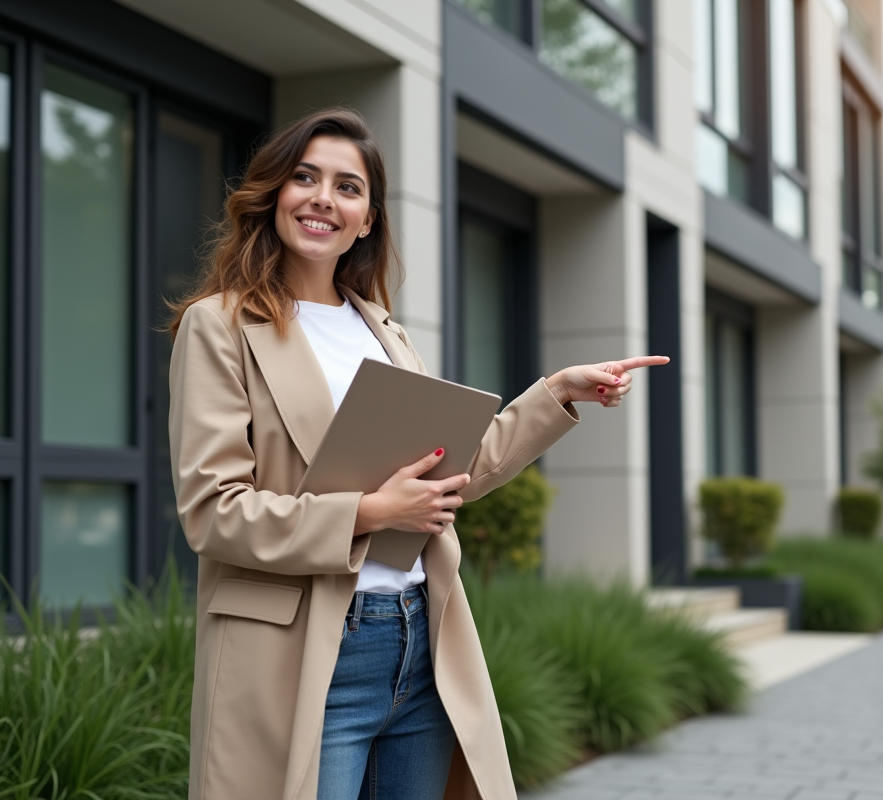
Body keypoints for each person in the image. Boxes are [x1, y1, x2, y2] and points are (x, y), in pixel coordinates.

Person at [167, 107, 667, 800]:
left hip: (418, 642)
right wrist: (367, 513)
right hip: (306, 651)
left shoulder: (383, 332)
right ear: (274, 193)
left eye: (348, 187)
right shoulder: (219, 325)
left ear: (367, 219)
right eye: (305, 177)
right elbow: (214, 513)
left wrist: (557, 393)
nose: (323, 198)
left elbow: (450, 468)